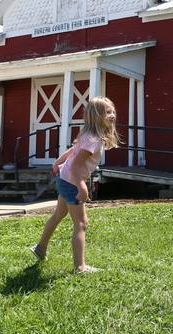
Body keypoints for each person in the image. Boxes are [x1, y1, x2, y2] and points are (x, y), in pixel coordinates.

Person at [30, 96, 120, 273]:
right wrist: (82, 186)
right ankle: (80, 267)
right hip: (71, 180)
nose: (112, 115)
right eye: (107, 112)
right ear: (96, 116)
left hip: (65, 178)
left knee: (59, 214)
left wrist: (57, 161)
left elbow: (73, 151)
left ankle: (40, 248)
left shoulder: (89, 135)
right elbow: (77, 164)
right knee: (81, 223)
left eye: (113, 111)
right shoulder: (92, 140)